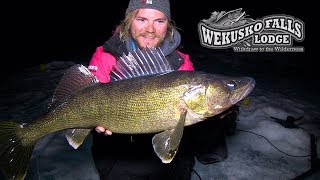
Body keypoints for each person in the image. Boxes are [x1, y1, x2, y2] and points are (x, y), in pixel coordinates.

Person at [88, 0, 232, 179]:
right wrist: (93, 121)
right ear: (128, 21)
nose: (150, 29)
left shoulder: (181, 62)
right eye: (141, 19)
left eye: (159, 21)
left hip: (168, 158)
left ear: (168, 26)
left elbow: (194, 113)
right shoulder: (105, 56)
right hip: (119, 152)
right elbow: (87, 97)